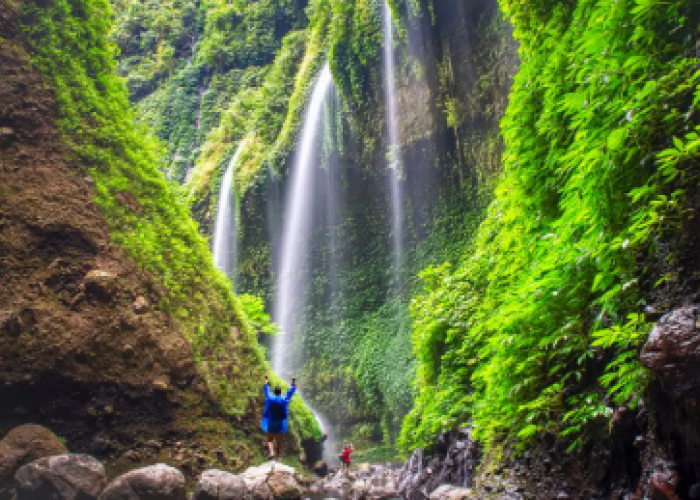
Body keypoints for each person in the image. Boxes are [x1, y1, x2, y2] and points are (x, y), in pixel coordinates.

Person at [260, 374, 296, 462]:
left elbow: (266, 389)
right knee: (279, 442)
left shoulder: (269, 398)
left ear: (274, 392)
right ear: (280, 393)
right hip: (280, 422)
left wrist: (266, 379)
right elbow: (289, 392)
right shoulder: (284, 400)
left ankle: (271, 452)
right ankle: (277, 458)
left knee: (269, 440)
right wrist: (293, 382)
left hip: (271, 421)